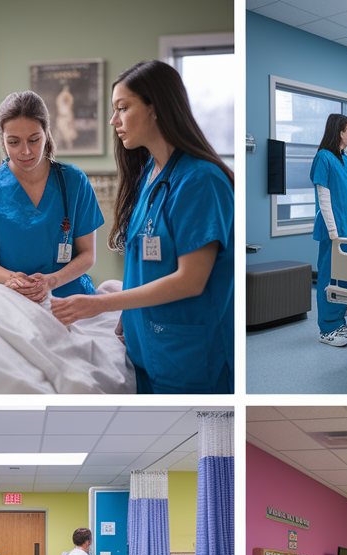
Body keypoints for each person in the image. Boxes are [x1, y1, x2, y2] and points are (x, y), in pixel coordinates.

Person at [51, 60, 233, 394]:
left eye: (122, 108)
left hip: (188, 353)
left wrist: (103, 304)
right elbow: (144, 264)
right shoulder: (150, 174)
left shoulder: (201, 181)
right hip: (145, 349)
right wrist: (129, 312)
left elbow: (191, 281)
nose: (113, 120)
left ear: (156, 108)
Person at [0, 91, 104, 302]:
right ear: (2, 139)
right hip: (12, 299)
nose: (25, 151)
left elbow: (88, 254)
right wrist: (14, 281)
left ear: (47, 133)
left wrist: (51, 281)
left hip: (68, 298)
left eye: (34, 140)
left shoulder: (74, 181)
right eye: (14, 142)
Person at [310, 113, 347, 348]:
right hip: (335, 230)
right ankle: (326, 328)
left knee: (346, 278)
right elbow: (323, 197)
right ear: (339, 132)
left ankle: (339, 321)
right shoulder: (323, 158)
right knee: (328, 276)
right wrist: (333, 232)